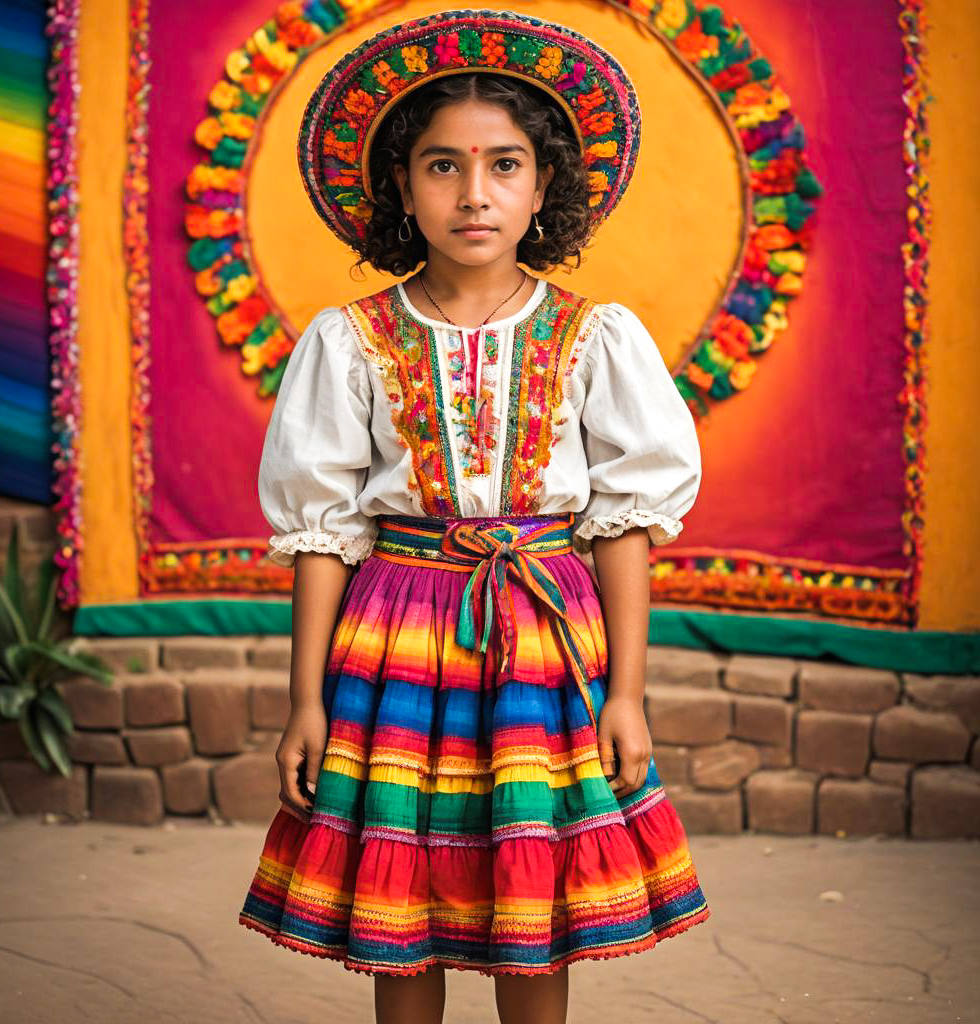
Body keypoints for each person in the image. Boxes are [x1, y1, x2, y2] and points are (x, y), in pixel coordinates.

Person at [238, 9, 710, 1023]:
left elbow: (624, 522)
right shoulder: (349, 341)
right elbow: (324, 531)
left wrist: (626, 694)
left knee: (529, 885)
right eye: (442, 166)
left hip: (546, 644)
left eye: (503, 165)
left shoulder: (596, 338)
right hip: (393, 637)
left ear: (543, 188)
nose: (474, 193)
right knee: (403, 888)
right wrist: (304, 702)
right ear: (401, 189)